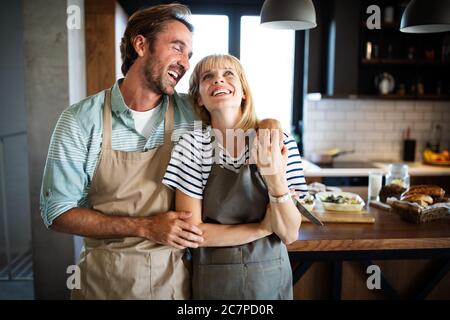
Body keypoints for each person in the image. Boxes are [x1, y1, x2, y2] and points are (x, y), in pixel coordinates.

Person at [40, 4, 205, 299]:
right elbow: (57, 212)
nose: (185, 63)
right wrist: (145, 227)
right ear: (141, 44)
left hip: (172, 283)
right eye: (177, 48)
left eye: (189, 55)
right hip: (102, 283)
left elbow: (243, 120)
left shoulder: (192, 115)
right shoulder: (80, 120)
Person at [162, 54, 308, 299]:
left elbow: (289, 233)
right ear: (199, 98)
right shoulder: (191, 145)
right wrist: (262, 228)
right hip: (214, 281)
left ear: (243, 92)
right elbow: (192, 232)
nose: (219, 80)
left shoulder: (278, 141)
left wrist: (273, 178)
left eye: (228, 74)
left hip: (270, 280)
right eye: (208, 77)